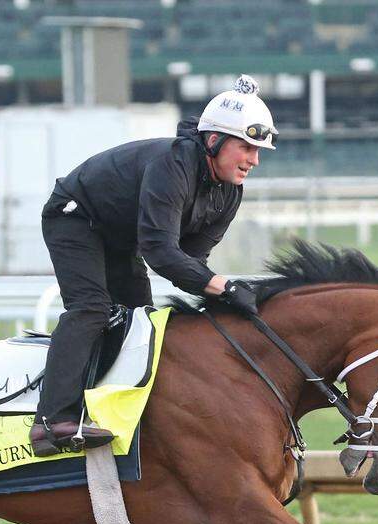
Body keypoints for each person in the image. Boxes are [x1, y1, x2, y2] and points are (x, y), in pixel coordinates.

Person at [30, 75, 276, 457]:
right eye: (246, 147)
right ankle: (51, 422)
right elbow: (161, 254)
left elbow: (190, 263)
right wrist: (225, 287)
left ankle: (103, 407)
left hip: (120, 236)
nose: (254, 160)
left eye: (259, 150)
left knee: (137, 318)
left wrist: (222, 293)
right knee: (92, 309)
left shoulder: (230, 193)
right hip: (76, 216)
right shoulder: (172, 165)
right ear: (214, 140)